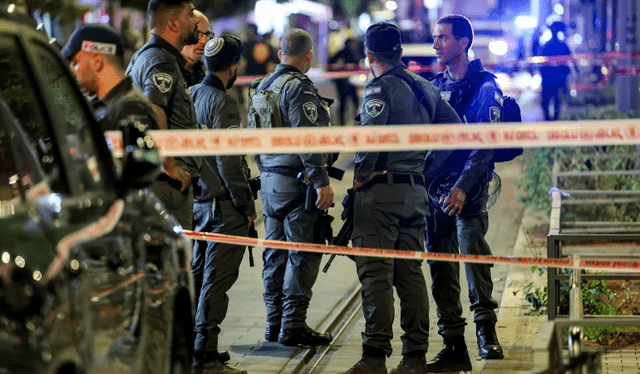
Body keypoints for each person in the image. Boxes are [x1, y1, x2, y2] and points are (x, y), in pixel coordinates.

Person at [340, 22, 460, 374]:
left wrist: (361, 182)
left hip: (381, 194)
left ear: (369, 54)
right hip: (415, 193)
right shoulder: (424, 87)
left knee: (376, 273)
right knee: (410, 273)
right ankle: (414, 357)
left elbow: (372, 143)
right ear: (401, 52)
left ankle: (375, 357)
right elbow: (456, 132)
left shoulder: (379, 88)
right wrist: (426, 166)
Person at [425, 15, 505, 373]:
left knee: (473, 256)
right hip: (435, 193)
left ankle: (486, 332)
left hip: (468, 192)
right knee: (440, 267)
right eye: (435, 38)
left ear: (463, 41)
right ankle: (453, 342)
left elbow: (484, 145)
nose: (435, 44)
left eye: (442, 38)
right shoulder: (431, 86)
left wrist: (462, 187)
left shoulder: (486, 86)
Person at [250, 28, 334, 347]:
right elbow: (307, 139)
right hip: (298, 184)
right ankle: (293, 326)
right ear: (308, 55)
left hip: (271, 183)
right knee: (303, 252)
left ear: (280, 52)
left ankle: (274, 323)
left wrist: (267, 169)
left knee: (275, 252)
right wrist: (322, 181)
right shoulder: (298, 87)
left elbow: (250, 137)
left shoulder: (261, 86)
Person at [188, 35, 255, 374]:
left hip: (199, 203)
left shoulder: (192, 95)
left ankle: (195, 348)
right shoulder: (223, 103)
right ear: (234, 66)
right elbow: (230, 162)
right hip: (224, 206)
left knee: (199, 278)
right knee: (217, 280)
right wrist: (246, 204)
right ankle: (207, 355)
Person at [126, 0, 201, 230]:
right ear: (173, 24)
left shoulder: (146, 55)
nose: (196, 20)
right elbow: (154, 110)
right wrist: (168, 165)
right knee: (175, 260)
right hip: (166, 186)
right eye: (190, 15)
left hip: (154, 181)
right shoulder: (161, 61)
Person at [61, 23, 158, 132]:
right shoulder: (101, 105)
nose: (72, 70)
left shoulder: (131, 108)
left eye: (75, 63)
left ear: (97, 62)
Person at [540, 21, 574, 121]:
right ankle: (553, 119)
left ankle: (549, 119)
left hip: (551, 77)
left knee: (550, 100)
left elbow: (542, 62)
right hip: (557, 77)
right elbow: (571, 60)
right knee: (555, 100)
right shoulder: (561, 45)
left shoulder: (547, 45)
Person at [328, 38, 362, 126]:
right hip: (342, 83)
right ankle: (342, 123)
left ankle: (355, 121)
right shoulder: (341, 53)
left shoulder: (355, 53)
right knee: (343, 103)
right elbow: (330, 64)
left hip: (352, 83)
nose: (355, 45)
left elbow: (358, 65)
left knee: (355, 102)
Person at [181, 10, 212, 87]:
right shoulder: (164, 70)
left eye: (207, 34)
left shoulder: (202, 71)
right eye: (196, 33)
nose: (204, 41)